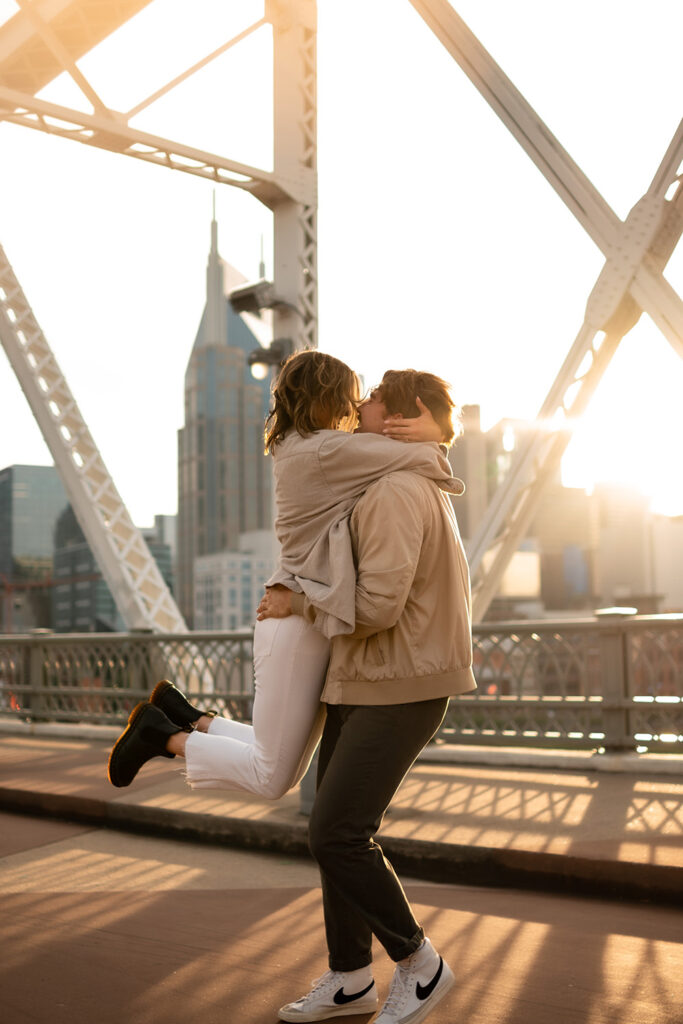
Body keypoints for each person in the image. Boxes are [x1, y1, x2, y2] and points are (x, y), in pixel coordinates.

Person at [107, 352, 464, 798]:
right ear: (329, 398)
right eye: (353, 398)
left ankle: (189, 718)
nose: (356, 409)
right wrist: (437, 435)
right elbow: (426, 461)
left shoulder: (305, 446)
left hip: (309, 614)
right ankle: (160, 735)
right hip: (297, 616)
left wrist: (432, 436)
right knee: (271, 775)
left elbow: (402, 459)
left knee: (280, 763)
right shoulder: (326, 450)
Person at [258, 369, 477, 1024]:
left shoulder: (394, 490)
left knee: (336, 833)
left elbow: (379, 604)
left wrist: (298, 600)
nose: (360, 405)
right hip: (363, 677)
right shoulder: (383, 478)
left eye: (374, 398)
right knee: (338, 830)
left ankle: (419, 963)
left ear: (401, 415)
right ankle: (349, 977)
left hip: (398, 682)